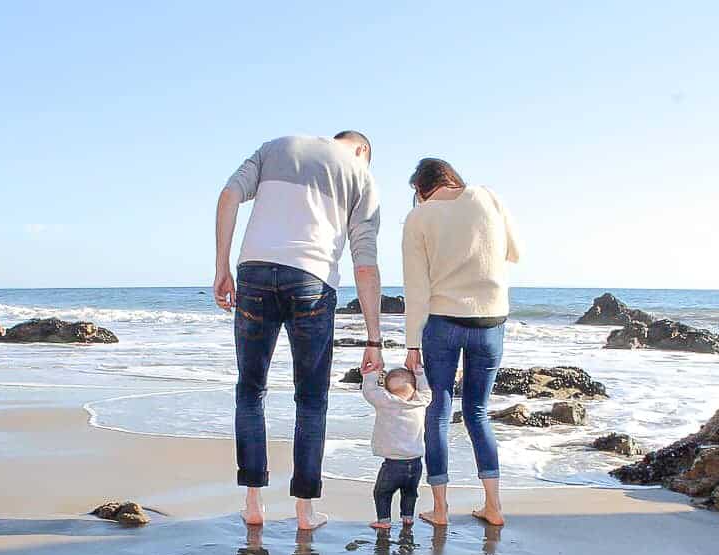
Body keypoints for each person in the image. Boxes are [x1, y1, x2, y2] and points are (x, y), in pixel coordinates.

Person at [214, 132, 383, 530]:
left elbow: (228, 196)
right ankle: (304, 511)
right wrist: (373, 337)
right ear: (361, 151)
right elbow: (364, 262)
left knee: (250, 389)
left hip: (253, 271)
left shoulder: (276, 147)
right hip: (313, 279)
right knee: (310, 399)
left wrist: (222, 266)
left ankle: (253, 503)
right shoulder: (359, 173)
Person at [402, 158, 521, 527]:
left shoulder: (419, 217)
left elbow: (416, 288)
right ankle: (493, 506)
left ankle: (440, 510)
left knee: (438, 410)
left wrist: (411, 344)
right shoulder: (488, 197)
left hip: (443, 321)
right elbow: (514, 252)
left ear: (421, 188)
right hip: (490, 320)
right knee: (478, 411)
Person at [361, 367, 432, 529]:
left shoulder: (386, 402)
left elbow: (369, 391)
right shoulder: (420, 402)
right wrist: (420, 373)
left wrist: (370, 373)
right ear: (414, 388)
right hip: (416, 465)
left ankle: (383, 521)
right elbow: (427, 390)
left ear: (387, 390)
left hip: (392, 465)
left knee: (382, 493)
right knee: (410, 493)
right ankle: (407, 517)